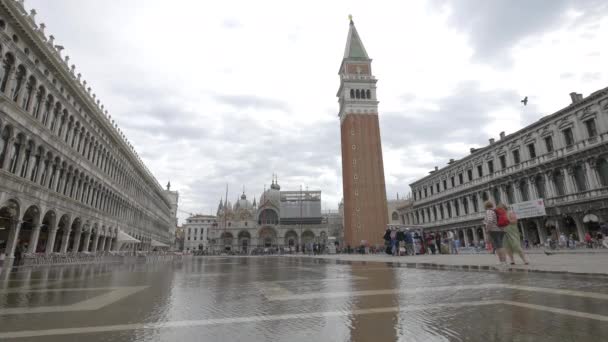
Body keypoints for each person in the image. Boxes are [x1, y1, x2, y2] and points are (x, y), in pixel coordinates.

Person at [484, 201, 507, 267]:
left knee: (498, 246)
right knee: (501, 245)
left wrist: (487, 229)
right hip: (501, 229)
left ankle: (502, 262)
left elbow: (490, 221)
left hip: (494, 230)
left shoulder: (488, 211)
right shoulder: (495, 211)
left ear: (485, 206)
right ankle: (504, 261)